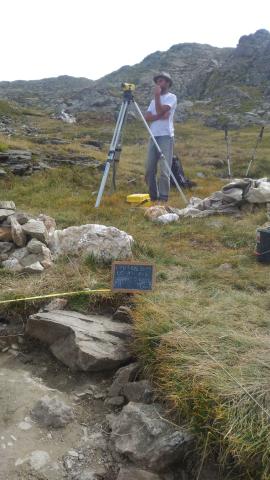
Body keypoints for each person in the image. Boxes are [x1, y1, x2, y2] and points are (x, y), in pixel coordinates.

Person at [144, 72, 177, 202]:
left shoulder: (171, 97)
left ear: (168, 83)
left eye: (161, 81)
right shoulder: (153, 101)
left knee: (164, 169)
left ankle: (163, 198)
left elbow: (157, 111)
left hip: (165, 136)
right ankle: (153, 197)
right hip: (153, 136)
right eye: (157, 81)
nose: (158, 84)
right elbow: (147, 117)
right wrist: (159, 115)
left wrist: (157, 96)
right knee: (149, 169)